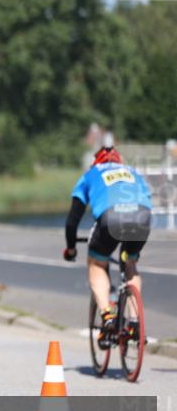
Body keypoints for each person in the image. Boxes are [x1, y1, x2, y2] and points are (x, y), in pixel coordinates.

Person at [63, 144, 153, 346]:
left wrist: (71, 249)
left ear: (96, 162)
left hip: (111, 217)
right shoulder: (132, 172)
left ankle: (107, 317)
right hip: (142, 216)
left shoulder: (90, 175)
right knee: (130, 263)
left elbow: (72, 221)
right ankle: (134, 323)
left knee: (96, 263)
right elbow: (148, 201)